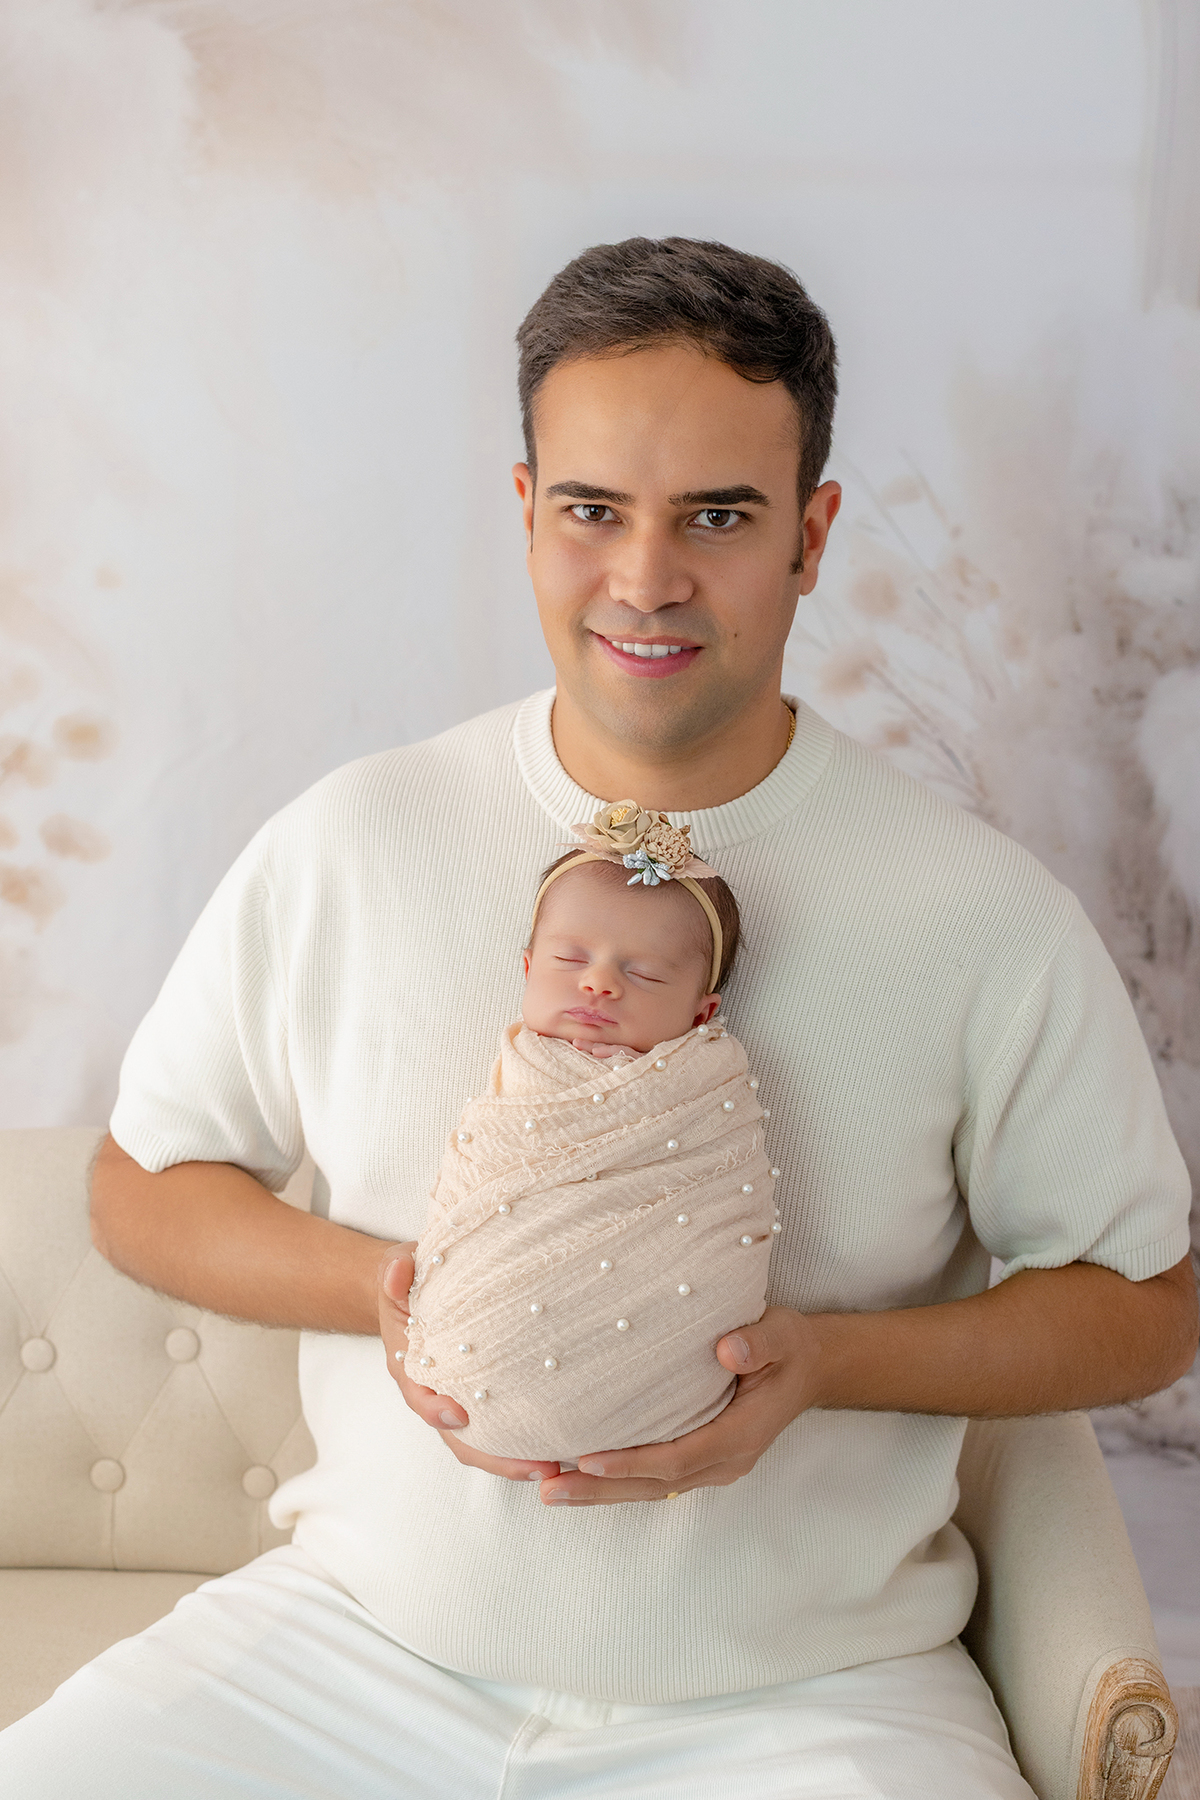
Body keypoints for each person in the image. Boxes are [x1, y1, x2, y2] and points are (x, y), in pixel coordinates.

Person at [2, 236, 1194, 1799]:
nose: (646, 578)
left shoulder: (981, 914)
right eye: (592, 512)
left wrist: (829, 1363)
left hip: (809, 1702)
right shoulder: (355, 839)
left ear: (812, 536)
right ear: (524, 517)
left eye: (718, 515)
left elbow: (1149, 1300)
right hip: (357, 1655)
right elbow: (141, 1186)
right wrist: (395, 1287)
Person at [405, 813, 776, 1468]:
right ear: (526, 969)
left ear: (701, 1013)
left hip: (670, 1369)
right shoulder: (523, 1074)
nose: (599, 982)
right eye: (570, 959)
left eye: (648, 975)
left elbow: (717, 1203)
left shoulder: (702, 1092)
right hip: (479, 1366)